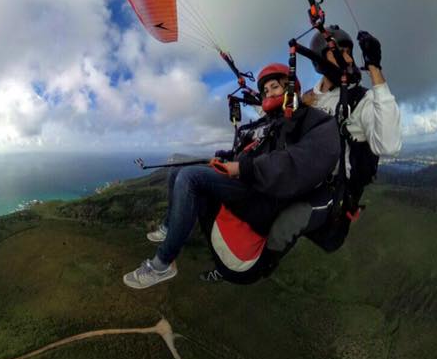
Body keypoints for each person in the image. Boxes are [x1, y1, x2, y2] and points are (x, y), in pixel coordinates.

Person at [197, 27, 403, 282]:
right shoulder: (306, 97)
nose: (348, 59)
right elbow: (276, 122)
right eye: (340, 53)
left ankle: (260, 267)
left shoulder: (362, 100)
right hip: (299, 172)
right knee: (238, 194)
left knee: (288, 222)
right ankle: (230, 259)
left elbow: (389, 144)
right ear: (319, 58)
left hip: (331, 189)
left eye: (351, 54)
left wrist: (374, 68)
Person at [123, 63, 341, 289]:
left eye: (274, 87)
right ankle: (169, 227)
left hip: (260, 191)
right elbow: (250, 149)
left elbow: (296, 162)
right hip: (245, 178)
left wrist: (242, 168)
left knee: (189, 177)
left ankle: (162, 265)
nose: (269, 93)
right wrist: (226, 157)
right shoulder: (269, 122)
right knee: (177, 165)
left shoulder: (314, 121)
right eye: (265, 91)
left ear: (291, 88)